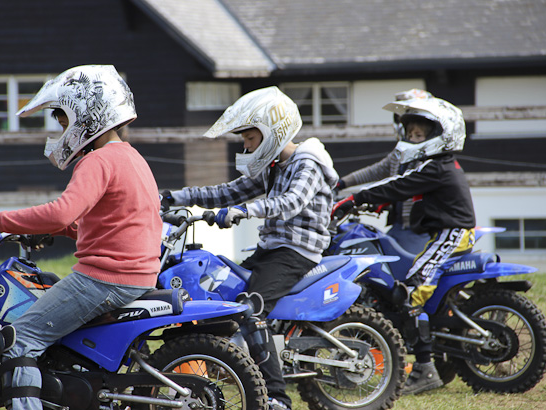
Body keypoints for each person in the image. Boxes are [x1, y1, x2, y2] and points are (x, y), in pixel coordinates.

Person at [0, 65, 162, 410]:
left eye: (62, 120)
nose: (61, 129)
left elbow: (62, 211)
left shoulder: (97, 161)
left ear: (86, 115)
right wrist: (47, 229)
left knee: (18, 340)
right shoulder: (131, 157)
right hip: (135, 275)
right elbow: (107, 222)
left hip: (104, 279)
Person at [161, 86, 339, 410]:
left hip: (297, 250)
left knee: (251, 309)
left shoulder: (308, 162)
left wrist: (245, 212)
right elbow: (231, 191)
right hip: (272, 247)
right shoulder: (273, 166)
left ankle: (277, 398)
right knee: (223, 291)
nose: (245, 145)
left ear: (273, 131)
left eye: (250, 138)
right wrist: (178, 197)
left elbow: (291, 202)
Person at [332, 96, 476, 395]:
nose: (411, 139)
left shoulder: (436, 166)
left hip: (452, 234)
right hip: (446, 233)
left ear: (440, 135)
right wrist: (378, 202)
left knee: (411, 291)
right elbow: (402, 189)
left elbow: (399, 184)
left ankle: (424, 369)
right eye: (409, 133)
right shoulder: (435, 166)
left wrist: (355, 198)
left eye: (419, 134)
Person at [335, 88, 433, 254]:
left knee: (402, 271)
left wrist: (374, 198)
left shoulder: (429, 155)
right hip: (400, 226)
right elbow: (378, 170)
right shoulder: (401, 151)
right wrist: (341, 183)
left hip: (420, 230)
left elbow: (404, 186)